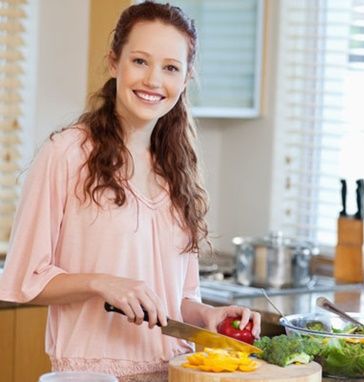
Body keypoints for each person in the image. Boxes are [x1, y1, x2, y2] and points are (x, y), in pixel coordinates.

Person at [0, 1, 261, 377]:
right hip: (94, 375)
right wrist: (100, 283)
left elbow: (179, 300)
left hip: (174, 371)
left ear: (185, 79)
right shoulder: (67, 154)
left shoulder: (178, 168)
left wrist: (208, 315)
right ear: (114, 63)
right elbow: (24, 280)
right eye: (140, 61)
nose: (154, 81)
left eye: (170, 68)